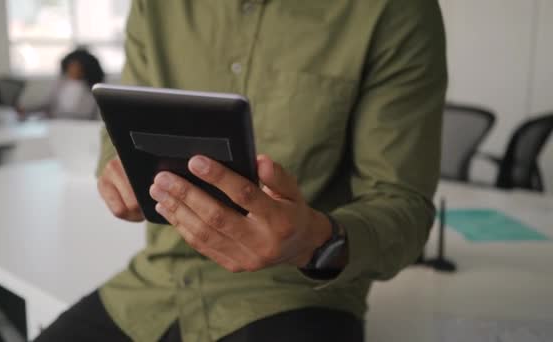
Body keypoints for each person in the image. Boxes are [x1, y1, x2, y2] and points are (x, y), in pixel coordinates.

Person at [36, 1, 447, 341]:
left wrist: (313, 241)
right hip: (152, 286)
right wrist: (118, 170)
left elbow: (403, 203)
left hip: (294, 296)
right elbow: (120, 125)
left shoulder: (394, 10)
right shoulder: (154, 6)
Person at [27, 48, 104, 120]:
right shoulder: (60, 83)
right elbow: (47, 103)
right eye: (70, 66)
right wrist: (27, 110)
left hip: (81, 125)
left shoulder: (94, 88)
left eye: (76, 66)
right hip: (55, 122)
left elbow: (90, 114)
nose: (72, 69)